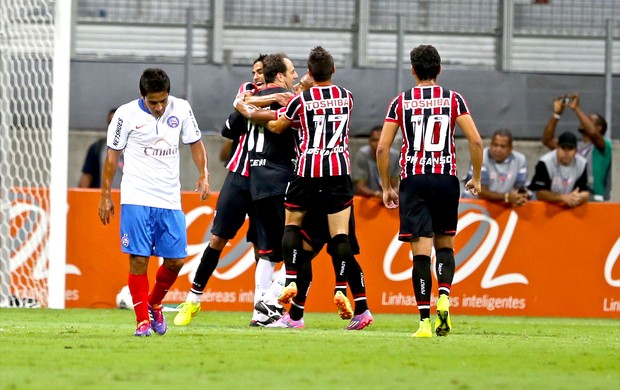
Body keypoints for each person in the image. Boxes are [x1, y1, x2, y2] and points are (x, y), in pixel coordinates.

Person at [376, 44, 483, 338]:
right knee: (445, 245)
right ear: (439, 69)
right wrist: (476, 177)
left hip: (415, 179)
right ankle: (445, 295)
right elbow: (475, 141)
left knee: (420, 254)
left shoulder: (401, 102)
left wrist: (387, 186)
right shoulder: (453, 99)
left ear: (412, 70)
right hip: (445, 178)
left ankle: (424, 321)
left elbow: (383, 147)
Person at [98, 68, 210, 337]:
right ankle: (142, 322)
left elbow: (196, 142)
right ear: (142, 96)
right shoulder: (126, 114)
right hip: (136, 195)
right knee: (139, 259)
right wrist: (105, 195)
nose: (159, 107)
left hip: (170, 198)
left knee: (176, 261)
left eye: (163, 101)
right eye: (153, 102)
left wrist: (204, 173)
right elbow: (112, 156)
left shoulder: (181, 109)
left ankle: (154, 303)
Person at [263, 46, 356, 328]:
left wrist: (265, 118)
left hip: (307, 169)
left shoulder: (301, 100)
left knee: (292, 226)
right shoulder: (347, 97)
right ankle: (340, 287)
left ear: (310, 72)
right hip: (338, 170)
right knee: (340, 233)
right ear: (334, 70)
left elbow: (279, 127)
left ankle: (290, 279)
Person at [542, 94, 612, 201]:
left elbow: (592, 133)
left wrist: (577, 109)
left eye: (589, 119)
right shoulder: (574, 147)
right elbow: (547, 140)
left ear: (599, 128)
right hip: (572, 196)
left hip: (594, 198)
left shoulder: (604, 146)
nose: (583, 120)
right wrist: (557, 114)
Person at [462, 128, 528, 207]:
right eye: (495, 145)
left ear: (511, 148)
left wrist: (518, 197)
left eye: (503, 146)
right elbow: (480, 191)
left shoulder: (520, 160)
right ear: (490, 144)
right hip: (472, 205)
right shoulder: (480, 157)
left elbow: (519, 189)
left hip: (502, 205)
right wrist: (506, 197)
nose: (498, 149)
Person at [528, 131, 590, 208]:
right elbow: (540, 193)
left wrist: (579, 197)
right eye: (563, 148)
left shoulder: (582, 164)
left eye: (570, 149)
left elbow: (585, 192)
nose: (566, 153)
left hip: (567, 207)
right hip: (541, 207)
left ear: (576, 151)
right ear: (557, 147)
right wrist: (563, 198)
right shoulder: (545, 162)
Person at [78, 108, 123, 188]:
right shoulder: (97, 148)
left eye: (117, 123)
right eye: (110, 123)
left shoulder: (135, 149)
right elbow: (87, 176)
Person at [352, 125, 400, 200]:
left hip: (389, 198)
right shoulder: (362, 155)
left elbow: (394, 185)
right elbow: (359, 187)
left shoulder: (394, 156)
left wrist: (393, 192)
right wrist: (377, 194)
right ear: (369, 141)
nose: (378, 144)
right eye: (375, 140)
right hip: (369, 199)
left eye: (381, 140)